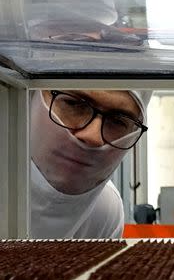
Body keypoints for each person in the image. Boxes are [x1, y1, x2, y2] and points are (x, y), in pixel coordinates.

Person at [29, 89, 151, 238]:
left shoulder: (105, 211)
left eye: (117, 121)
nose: (93, 136)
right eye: (73, 103)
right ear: (30, 97)